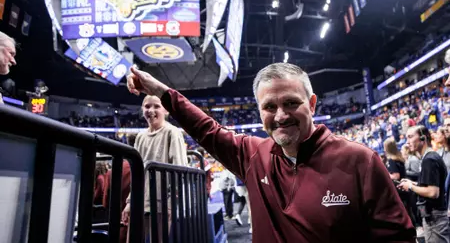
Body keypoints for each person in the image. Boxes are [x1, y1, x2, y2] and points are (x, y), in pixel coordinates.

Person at [127, 63, 415, 242]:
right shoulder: (252, 154)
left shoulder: (360, 161)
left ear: (312, 104)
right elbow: (207, 129)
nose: (280, 116)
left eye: (291, 103)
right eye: (269, 107)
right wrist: (161, 90)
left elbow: (398, 237)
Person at [121, 95, 188, 242]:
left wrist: (170, 204)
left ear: (166, 110)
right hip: (139, 202)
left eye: (156, 106)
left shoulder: (172, 132)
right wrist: (129, 203)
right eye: (147, 106)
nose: (151, 110)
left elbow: (180, 170)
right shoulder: (140, 137)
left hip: (161, 204)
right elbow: (135, 174)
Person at [398, 125, 449, 243]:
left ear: (423, 138)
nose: (407, 142)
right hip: (435, 216)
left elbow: (433, 192)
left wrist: (410, 187)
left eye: (410, 137)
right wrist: (413, 183)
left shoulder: (429, 159)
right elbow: (430, 185)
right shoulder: (429, 157)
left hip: (435, 218)